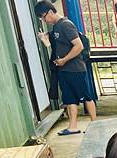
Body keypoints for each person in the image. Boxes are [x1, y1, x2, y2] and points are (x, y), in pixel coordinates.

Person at [34, 1, 96, 135]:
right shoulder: (56, 27)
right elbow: (59, 46)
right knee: (69, 99)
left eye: (43, 17)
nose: (44, 20)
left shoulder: (66, 25)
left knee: (86, 96)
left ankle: (95, 124)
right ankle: (72, 126)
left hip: (75, 68)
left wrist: (64, 60)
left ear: (50, 12)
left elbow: (79, 46)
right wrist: (45, 40)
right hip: (64, 69)